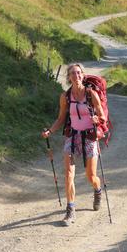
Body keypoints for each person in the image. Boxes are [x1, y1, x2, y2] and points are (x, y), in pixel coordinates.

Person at [42, 63, 106, 226]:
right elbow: (61, 118)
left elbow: (102, 116)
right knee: (68, 174)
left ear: (83, 75)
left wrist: (97, 120)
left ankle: (98, 190)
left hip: (90, 137)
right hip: (73, 136)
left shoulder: (91, 94)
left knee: (90, 176)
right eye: (72, 73)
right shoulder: (65, 97)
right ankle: (70, 211)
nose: (76, 76)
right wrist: (50, 131)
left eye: (78, 73)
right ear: (69, 77)